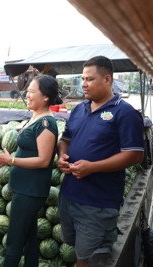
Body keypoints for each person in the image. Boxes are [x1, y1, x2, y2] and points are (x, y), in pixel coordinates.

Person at [57, 56, 144, 267]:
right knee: (73, 243)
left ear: (107, 79)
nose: (83, 84)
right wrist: (62, 155)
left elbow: (134, 154)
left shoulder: (125, 112)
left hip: (97, 202)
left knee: (88, 258)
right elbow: (65, 139)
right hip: (69, 195)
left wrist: (92, 167)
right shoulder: (79, 109)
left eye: (89, 79)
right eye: (82, 79)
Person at [0, 75, 60, 267]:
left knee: (14, 241)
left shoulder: (46, 124)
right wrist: (9, 159)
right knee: (29, 239)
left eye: (31, 91)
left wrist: (11, 160)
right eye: (27, 91)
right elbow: (30, 150)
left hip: (31, 190)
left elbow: (44, 161)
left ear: (45, 97)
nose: (27, 95)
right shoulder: (34, 117)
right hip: (23, 188)